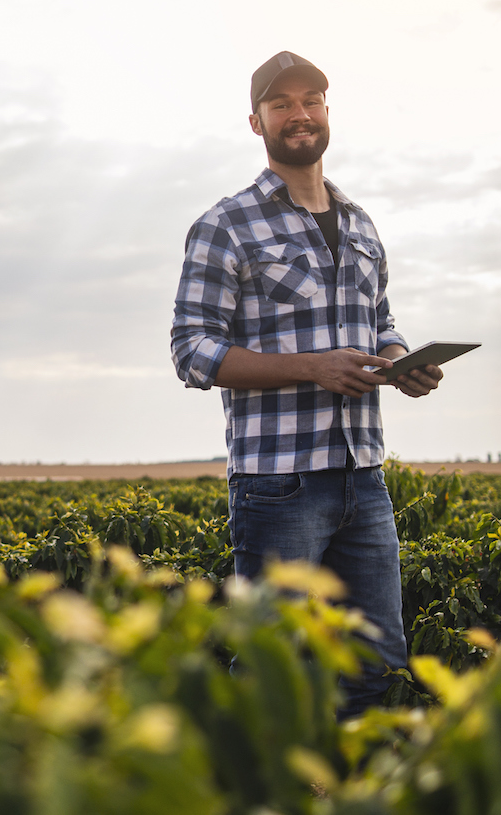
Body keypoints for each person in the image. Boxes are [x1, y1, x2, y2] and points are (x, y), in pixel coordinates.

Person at [169, 51, 443, 716]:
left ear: (326, 110)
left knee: (378, 664)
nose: (300, 114)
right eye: (282, 104)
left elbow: (380, 321)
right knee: (272, 666)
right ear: (257, 123)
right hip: (278, 482)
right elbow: (192, 350)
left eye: (311, 99)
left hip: (363, 473)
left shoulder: (360, 225)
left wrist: (401, 358)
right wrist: (313, 365)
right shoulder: (226, 224)